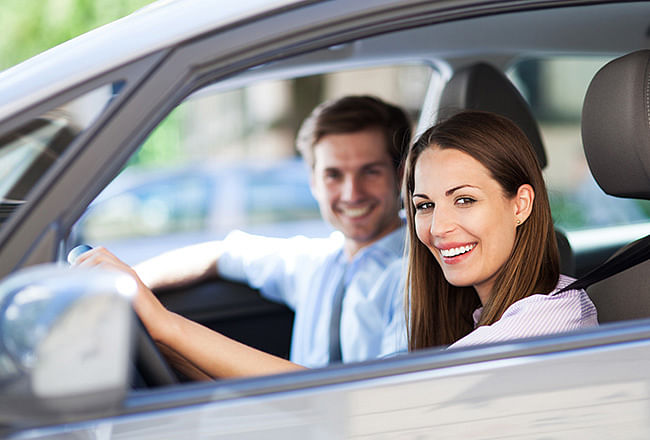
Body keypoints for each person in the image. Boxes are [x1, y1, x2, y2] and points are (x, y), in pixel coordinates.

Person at [77, 95, 412, 377]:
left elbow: (374, 400)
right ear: (312, 180)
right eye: (333, 175)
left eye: (370, 172)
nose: (352, 193)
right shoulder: (316, 262)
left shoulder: (415, 275)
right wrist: (128, 285)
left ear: (399, 175)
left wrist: (166, 325)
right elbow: (219, 255)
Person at [402, 110, 598, 351]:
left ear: (520, 205)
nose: (438, 227)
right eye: (425, 205)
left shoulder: (550, 320)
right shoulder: (480, 317)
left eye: (464, 200)